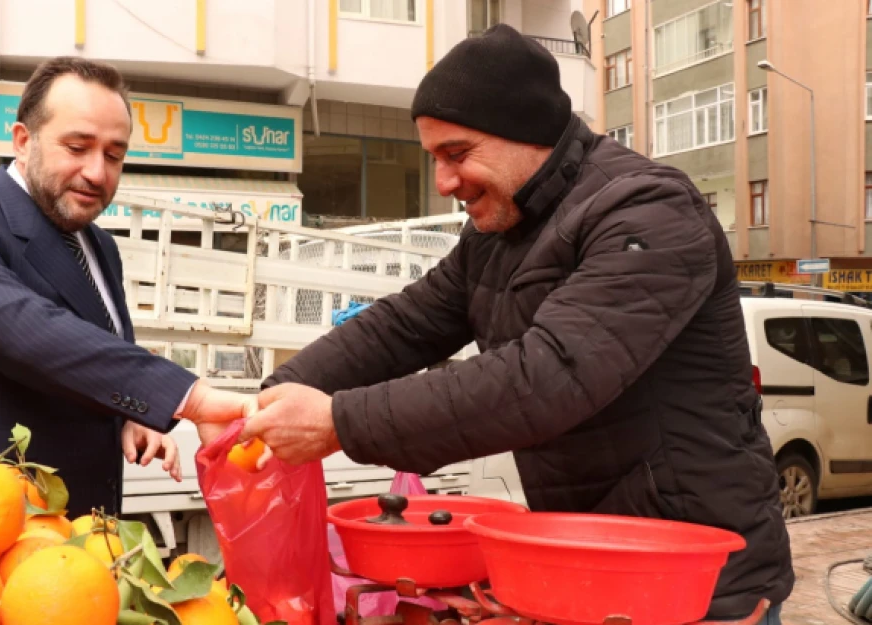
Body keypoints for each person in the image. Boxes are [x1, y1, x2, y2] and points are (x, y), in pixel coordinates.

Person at [241, 25, 794, 623]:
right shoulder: (499, 232)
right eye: (434, 159)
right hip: (591, 565)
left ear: (528, 134)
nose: (444, 183)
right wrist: (270, 399)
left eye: (457, 155)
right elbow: (402, 326)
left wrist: (338, 422)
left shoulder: (647, 210)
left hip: (694, 583)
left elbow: (547, 376)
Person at [0, 57, 249, 518]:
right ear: (23, 142)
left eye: (113, 154)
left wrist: (126, 413)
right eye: (77, 147)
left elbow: (92, 354)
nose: (97, 173)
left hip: (86, 535)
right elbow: (30, 331)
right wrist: (191, 398)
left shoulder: (99, 245)